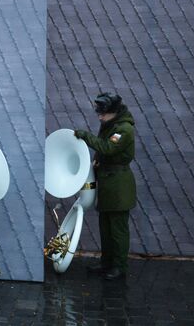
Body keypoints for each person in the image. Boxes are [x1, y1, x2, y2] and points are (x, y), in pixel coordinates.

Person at [74, 92, 136, 280]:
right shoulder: (111, 125)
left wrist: (85, 136)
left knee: (117, 229)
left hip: (118, 185)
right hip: (109, 183)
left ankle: (119, 266)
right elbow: (105, 151)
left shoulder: (124, 129)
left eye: (103, 113)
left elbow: (108, 148)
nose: (100, 116)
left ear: (114, 112)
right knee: (105, 228)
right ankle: (106, 262)